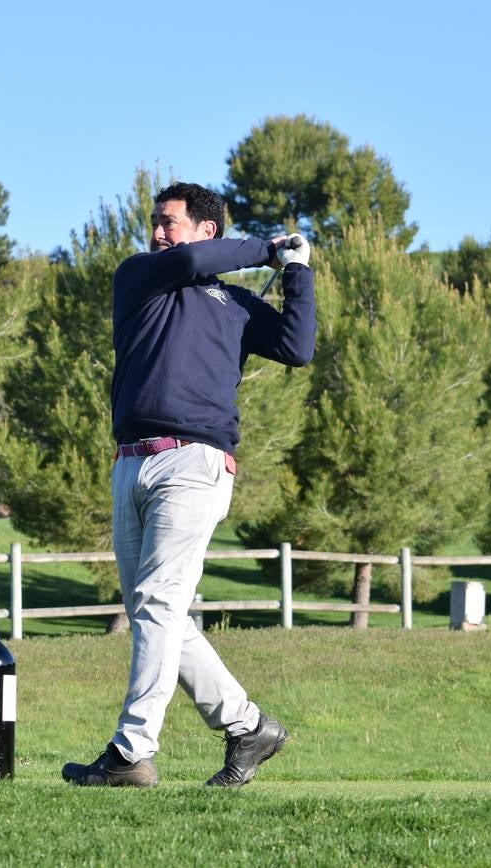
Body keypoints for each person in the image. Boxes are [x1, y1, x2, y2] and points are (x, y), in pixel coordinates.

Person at [62, 182, 315, 788]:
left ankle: (131, 753)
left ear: (206, 227)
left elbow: (296, 346)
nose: (155, 232)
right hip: (131, 463)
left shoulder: (234, 305)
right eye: (153, 222)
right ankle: (247, 726)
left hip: (194, 464)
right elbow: (191, 263)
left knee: (157, 605)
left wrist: (297, 273)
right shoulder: (140, 277)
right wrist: (266, 249)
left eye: (168, 223)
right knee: (159, 610)